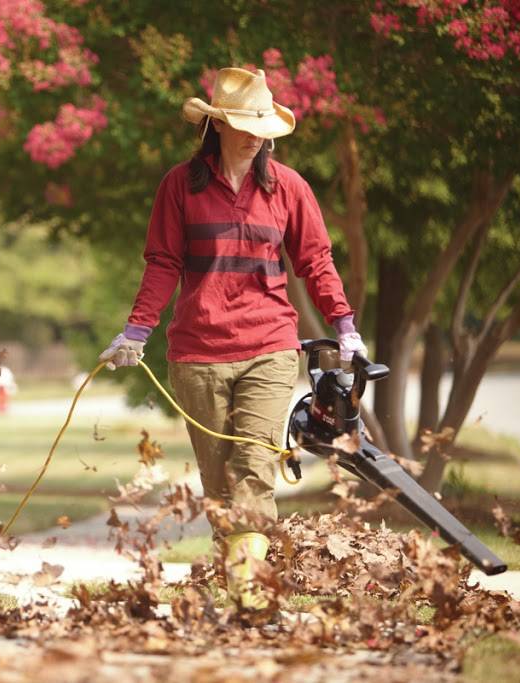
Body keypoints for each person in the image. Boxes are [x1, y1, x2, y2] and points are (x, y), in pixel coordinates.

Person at [99, 67, 367, 609]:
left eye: (261, 124)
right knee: (220, 481)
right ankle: (241, 583)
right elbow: (163, 262)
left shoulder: (288, 187)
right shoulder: (180, 185)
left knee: (252, 468)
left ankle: (251, 595)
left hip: (269, 345)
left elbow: (315, 260)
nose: (254, 133)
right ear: (217, 126)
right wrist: (136, 331)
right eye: (243, 122)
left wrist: (344, 325)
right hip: (197, 353)